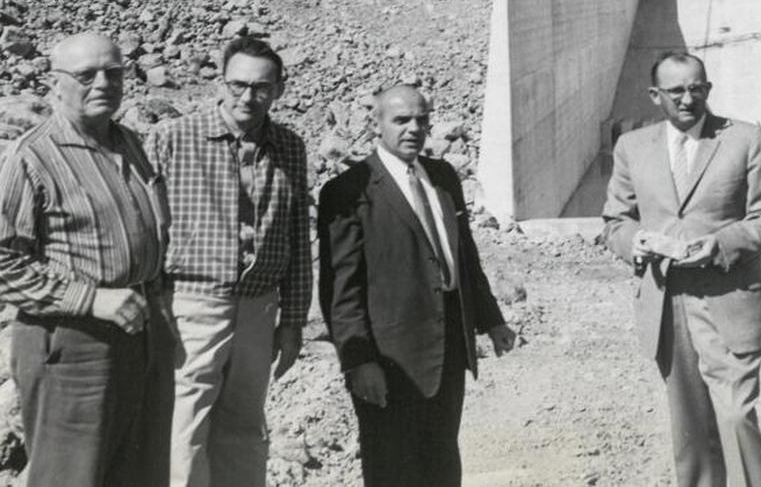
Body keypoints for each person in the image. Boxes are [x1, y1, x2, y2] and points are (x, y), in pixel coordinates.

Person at [602, 51, 761, 487]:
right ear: (655, 95)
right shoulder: (633, 146)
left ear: (707, 89)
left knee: (736, 414)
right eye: (676, 91)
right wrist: (635, 242)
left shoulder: (744, 138)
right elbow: (615, 222)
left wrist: (720, 244)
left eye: (696, 88)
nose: (687, 99)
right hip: (666, 301)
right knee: (690, 425)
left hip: (729, 297)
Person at [318, 85, 516, 487]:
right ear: (377, 124)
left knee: (441, 464)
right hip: (390, 359)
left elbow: (464, 255)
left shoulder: (442, 176)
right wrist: (358, 361)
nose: (414, 129)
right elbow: (340, 288)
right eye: (401, 120)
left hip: (447, 351)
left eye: (422, 120)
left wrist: (491, 319)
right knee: (393, 469)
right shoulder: (349, 191)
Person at [0, 32, 172, 486]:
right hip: (72, 342)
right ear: (54, 83)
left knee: (137, 473)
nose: (103, 84)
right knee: (71, 476)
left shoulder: (130, 143)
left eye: (113, 73)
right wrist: (91, 299)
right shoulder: (33, 156)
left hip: (140, 331)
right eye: (86, 75)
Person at [147, 36, 311, 487]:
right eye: (238, 84)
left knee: (244, 428)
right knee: (186, 430)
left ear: (278, 90)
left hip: (259, 307)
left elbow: (298, 237)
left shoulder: (289, 147)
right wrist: (154, 306)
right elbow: (148, 230)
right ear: (220, 83)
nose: (248, 96)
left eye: (261, 87)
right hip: (192, 304)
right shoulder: (173, 137)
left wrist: (293, 320)